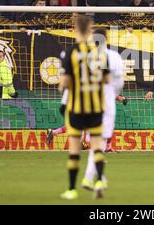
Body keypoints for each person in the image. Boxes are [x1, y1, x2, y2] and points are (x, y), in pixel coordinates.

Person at [59, 15, 110, 200]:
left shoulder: (70, 53)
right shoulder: (99, 53)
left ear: (75, 29)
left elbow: (63, 84)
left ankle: (72, 190)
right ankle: (99, 181)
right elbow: (107, 80)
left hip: (76, 109)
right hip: (95, 107)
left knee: (74, 149)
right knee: (96, 147)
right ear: (90, 30)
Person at [81, 28, 124, 189]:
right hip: (106, 103)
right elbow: (119, 82)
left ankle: (99, 178)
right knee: (100, 144)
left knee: (96, 143)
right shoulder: (114, 57)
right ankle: (88, 178)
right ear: (106, 38)